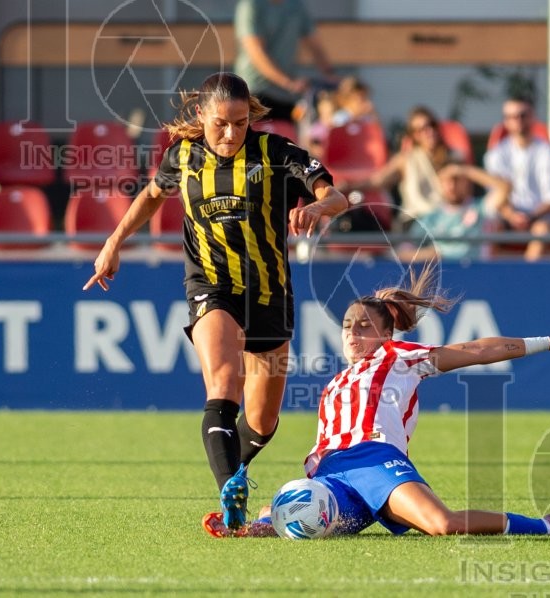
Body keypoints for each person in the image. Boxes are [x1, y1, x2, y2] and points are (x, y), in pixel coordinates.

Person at [82, 72, 349, 529]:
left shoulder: (276, 153)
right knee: (224, 383)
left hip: (269, 291)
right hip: (210, 285)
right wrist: (113, 243)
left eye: (241, 123)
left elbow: (336, 195)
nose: (230, 134)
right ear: (202, 116)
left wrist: (316, 208)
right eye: (221, 124)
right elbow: (151, 195)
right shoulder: (182, 156)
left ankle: (236, 473)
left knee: (263, 420)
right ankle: (232, 499)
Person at [202, 263, 550, 538]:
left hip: (375, 462)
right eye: (347, 326)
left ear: (387, 334)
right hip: (327, 473)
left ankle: (548, 526)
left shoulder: (401, 359)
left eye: (364, 326)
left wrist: (548, 343)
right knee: (286, 514)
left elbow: (478, 350)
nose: (352, 333)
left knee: (442, 524)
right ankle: (249, 523)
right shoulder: (337, 382)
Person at [341, 106, 505, 231]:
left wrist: (462, 170)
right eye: (421, 129)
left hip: (449, 222)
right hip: (416, 224)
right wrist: (347, 187)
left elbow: (475, 193)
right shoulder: (406, 159)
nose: (429, 132)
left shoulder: (455, 158)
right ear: (413, 135)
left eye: (432, 125)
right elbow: (377, 182)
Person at [483, 95, 550, 261]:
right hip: (507, 217)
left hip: (541, 218)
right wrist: (511, 215)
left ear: (532, 116)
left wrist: (530, 217)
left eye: (523, 115)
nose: (518, 120)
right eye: (512, 116)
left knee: (541, 230)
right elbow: (495, 198)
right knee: (489, 227)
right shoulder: (495, 155)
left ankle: (528, 275)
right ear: (505, 121)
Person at [234, 0, 335, 122]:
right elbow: (256, 51)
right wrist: (287, 82)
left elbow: (314, 44)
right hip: (256, 91)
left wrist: (330, 75)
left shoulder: (296, 5)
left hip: (286, 96)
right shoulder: (251, 5)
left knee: (286, 136)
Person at [403, 160, 508, 262]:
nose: (452, 186)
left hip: (477, 274)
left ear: (466, 181)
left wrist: (464, 171)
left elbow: (504, 188)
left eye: (456, 180)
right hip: (445, 276)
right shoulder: (431, 217)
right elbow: (403, 251)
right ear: (439, 183)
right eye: (446, 181)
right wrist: (427, 255)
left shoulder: (481, 207)